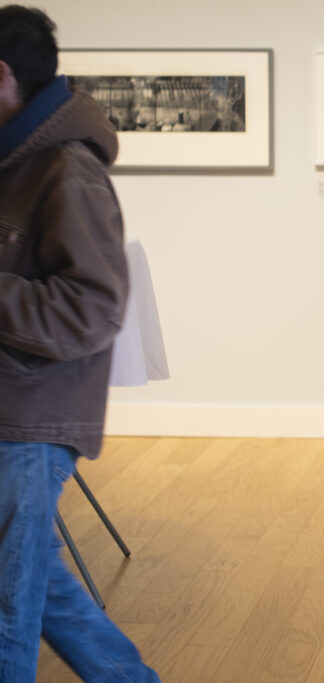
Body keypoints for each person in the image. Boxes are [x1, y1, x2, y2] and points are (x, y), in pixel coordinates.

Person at [0, 6, 160, 681]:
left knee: (9, 607)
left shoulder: (68, 170)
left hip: (30, 420)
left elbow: (90, 309)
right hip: (14, 409)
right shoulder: (16, 156)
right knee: (46, 593)